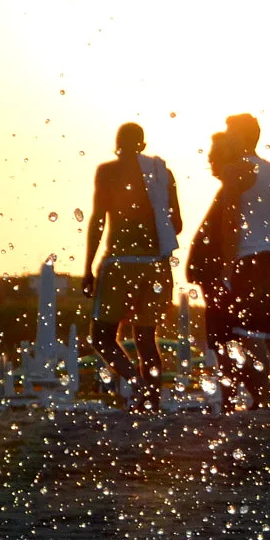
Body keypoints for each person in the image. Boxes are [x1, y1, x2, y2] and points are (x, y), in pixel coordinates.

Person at [84, 122, 181, 408]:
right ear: (143, 145)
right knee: (146, 339)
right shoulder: (163, 174)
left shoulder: (107, 172)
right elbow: (176, 224)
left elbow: (98, 219)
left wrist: (88, 266)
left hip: (120, 264)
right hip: (156, 266)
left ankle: (135, 383)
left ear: (118, 143)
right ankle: (151, 399)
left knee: (101, 336)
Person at [221, 113, 270, 408]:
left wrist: (227, 266)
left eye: (230, 133)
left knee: (248, 331)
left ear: (242, 137)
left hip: (248, 257)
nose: (226, 138)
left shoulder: (235, 169)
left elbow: (230, 222)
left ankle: (261, 395)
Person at [188, 131, 251, 387]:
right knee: (223, 336)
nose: (210, 159)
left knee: (224, 335)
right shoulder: (227, 190)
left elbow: (230, 228)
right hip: (214, 275)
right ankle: (233, 393)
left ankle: (231, 395)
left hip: (219, 277)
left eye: (214, 155)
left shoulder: (232, 190)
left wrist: (227, 270)